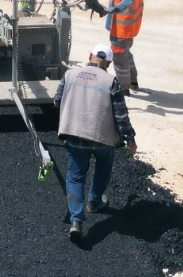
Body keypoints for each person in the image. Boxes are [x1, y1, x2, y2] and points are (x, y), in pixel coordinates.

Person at [55, 43, 137, 241]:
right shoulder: (111, 82)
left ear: (90, 55)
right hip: (102, 138)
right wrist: (130, 139)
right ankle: (94, 201)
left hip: (74, 134)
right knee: (103, 167)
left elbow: (57, 101)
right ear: (108, 63)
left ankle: (76, 220)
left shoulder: (69, 75)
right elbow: (121, 115)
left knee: (75, 177)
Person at [99, 0, 148, 94]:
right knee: (126, 54)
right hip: (129, 29)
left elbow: (128, 0)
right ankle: (133, 82)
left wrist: (113, 9)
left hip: (121, 30)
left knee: (120, 59)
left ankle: (123, 88)